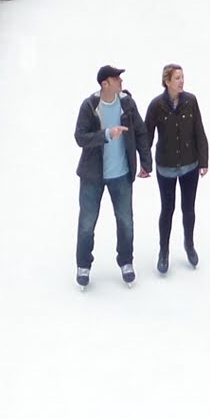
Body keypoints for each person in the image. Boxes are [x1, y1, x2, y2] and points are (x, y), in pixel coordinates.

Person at [73, 66, 149, 289]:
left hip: (121, 174)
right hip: (92, 175)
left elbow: (141, 131)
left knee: (126, 221)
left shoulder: (127, 104)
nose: (120, 81)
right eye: (116, 78)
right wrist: (106, 134)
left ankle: (126, 261)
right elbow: (80, 137)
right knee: (87, 222)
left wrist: (146, 162)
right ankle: (83, 265)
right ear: (104, 83)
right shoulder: (90, 106)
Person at [141, 63, 210, 275]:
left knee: (188, 208)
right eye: (177, 78)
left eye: (182, 77)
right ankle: (164, 251)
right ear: (167, 81)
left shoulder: (191, 101)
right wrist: (145, 164)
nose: (181, 81)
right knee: (167, 209)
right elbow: (147, 136)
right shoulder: (156, 105)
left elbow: (199, 130)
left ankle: (189, 244)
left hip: (190, 164)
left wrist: (204, 160)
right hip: (166, 166)